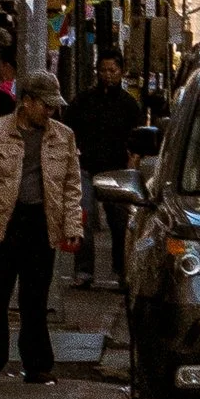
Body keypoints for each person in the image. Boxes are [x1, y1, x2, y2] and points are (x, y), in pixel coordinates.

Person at [0, 70, 81, 386]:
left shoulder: (63, 136)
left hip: (41, 223)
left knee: (35, 298)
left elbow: (71, 184)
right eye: (45, 105)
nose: (50, 111)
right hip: (3, 222)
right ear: (27, 101)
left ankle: (37, 364)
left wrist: (71, 224)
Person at [67, 50, 146, 285]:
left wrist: (134, 160)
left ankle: (121, 271)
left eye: (112, 70)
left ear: (121, 71)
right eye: (103, 70)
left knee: (119, 222)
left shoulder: (129, 104)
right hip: (86, 166)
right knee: (84, 217)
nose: (107, 75)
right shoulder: (84, 100)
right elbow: (69, 129)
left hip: (117, 170)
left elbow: (138, 138)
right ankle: (84, 272)